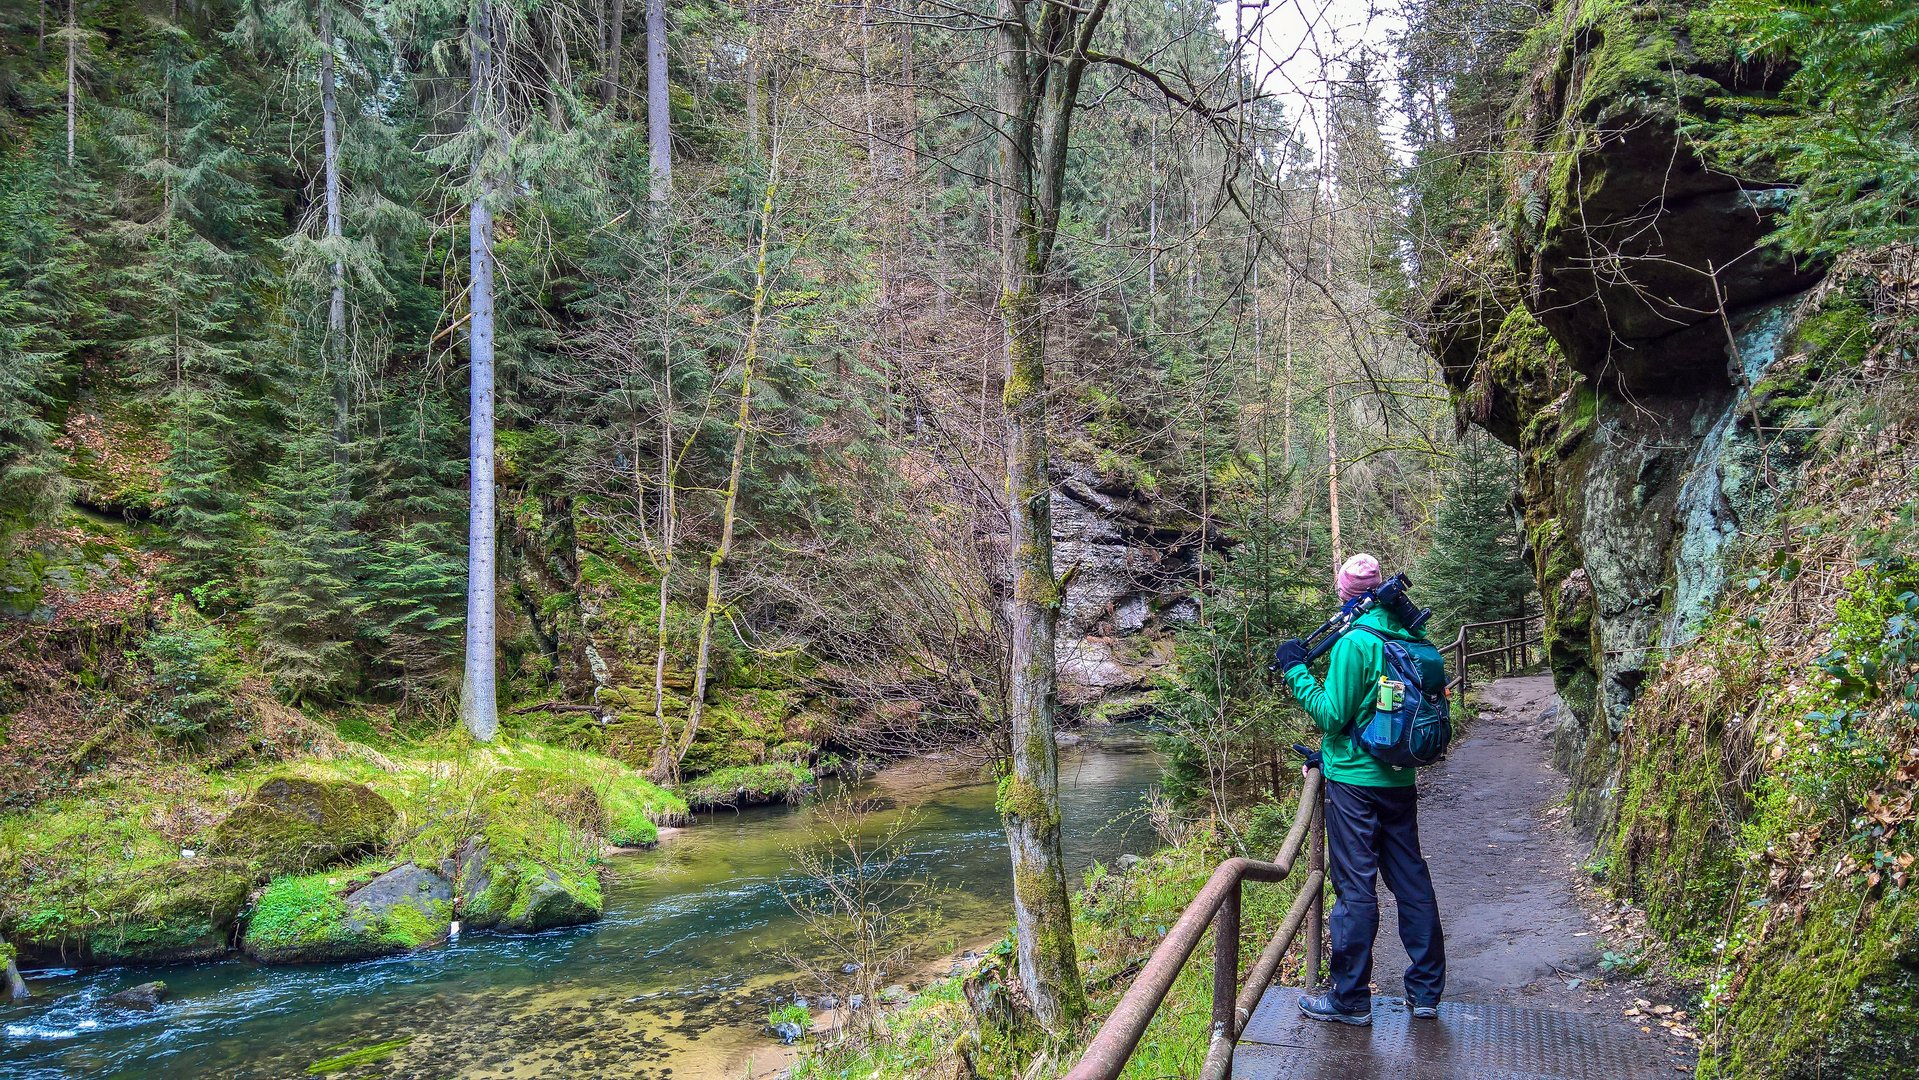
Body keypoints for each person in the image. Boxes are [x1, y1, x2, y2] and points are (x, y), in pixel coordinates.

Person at [1271, 552, 1446, 1026]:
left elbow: (1331, 713)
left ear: (1345, 596)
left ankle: (1349, 999)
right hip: (1399, 779)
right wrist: (1323, 753)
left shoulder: (1356, 643)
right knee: (1410, 877)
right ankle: (1426, 991)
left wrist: (1295, 671)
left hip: (1355, 784)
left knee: (1355, 887)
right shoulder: (1410, 635)